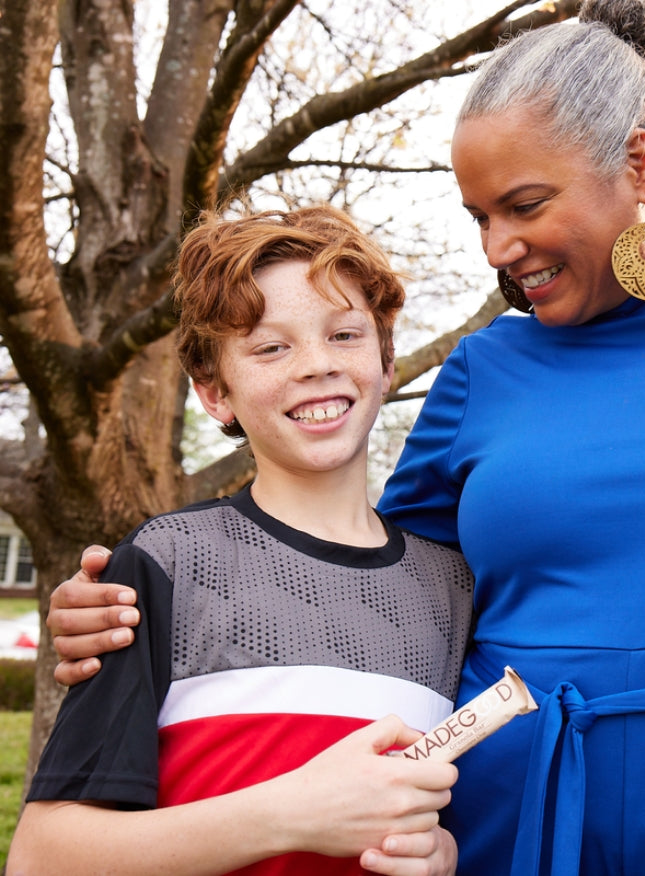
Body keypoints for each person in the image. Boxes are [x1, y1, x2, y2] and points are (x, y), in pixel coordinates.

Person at [42, 2, 645, 874]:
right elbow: (372, 591)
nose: (495, 248)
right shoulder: (483, 371)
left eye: (522, 205)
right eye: (478, 215)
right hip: (508, 833)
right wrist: (136, 610)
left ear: (638, 163)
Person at [9, 205, 471, 876]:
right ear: (214, 393)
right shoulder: (165, 564)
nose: (317, 364)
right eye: (270, 347)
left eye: (344, 334)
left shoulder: (454, 589)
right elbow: (41, 858)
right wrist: (295, 813)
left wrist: (444, 854)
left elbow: (457, 810)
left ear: (387, 362)